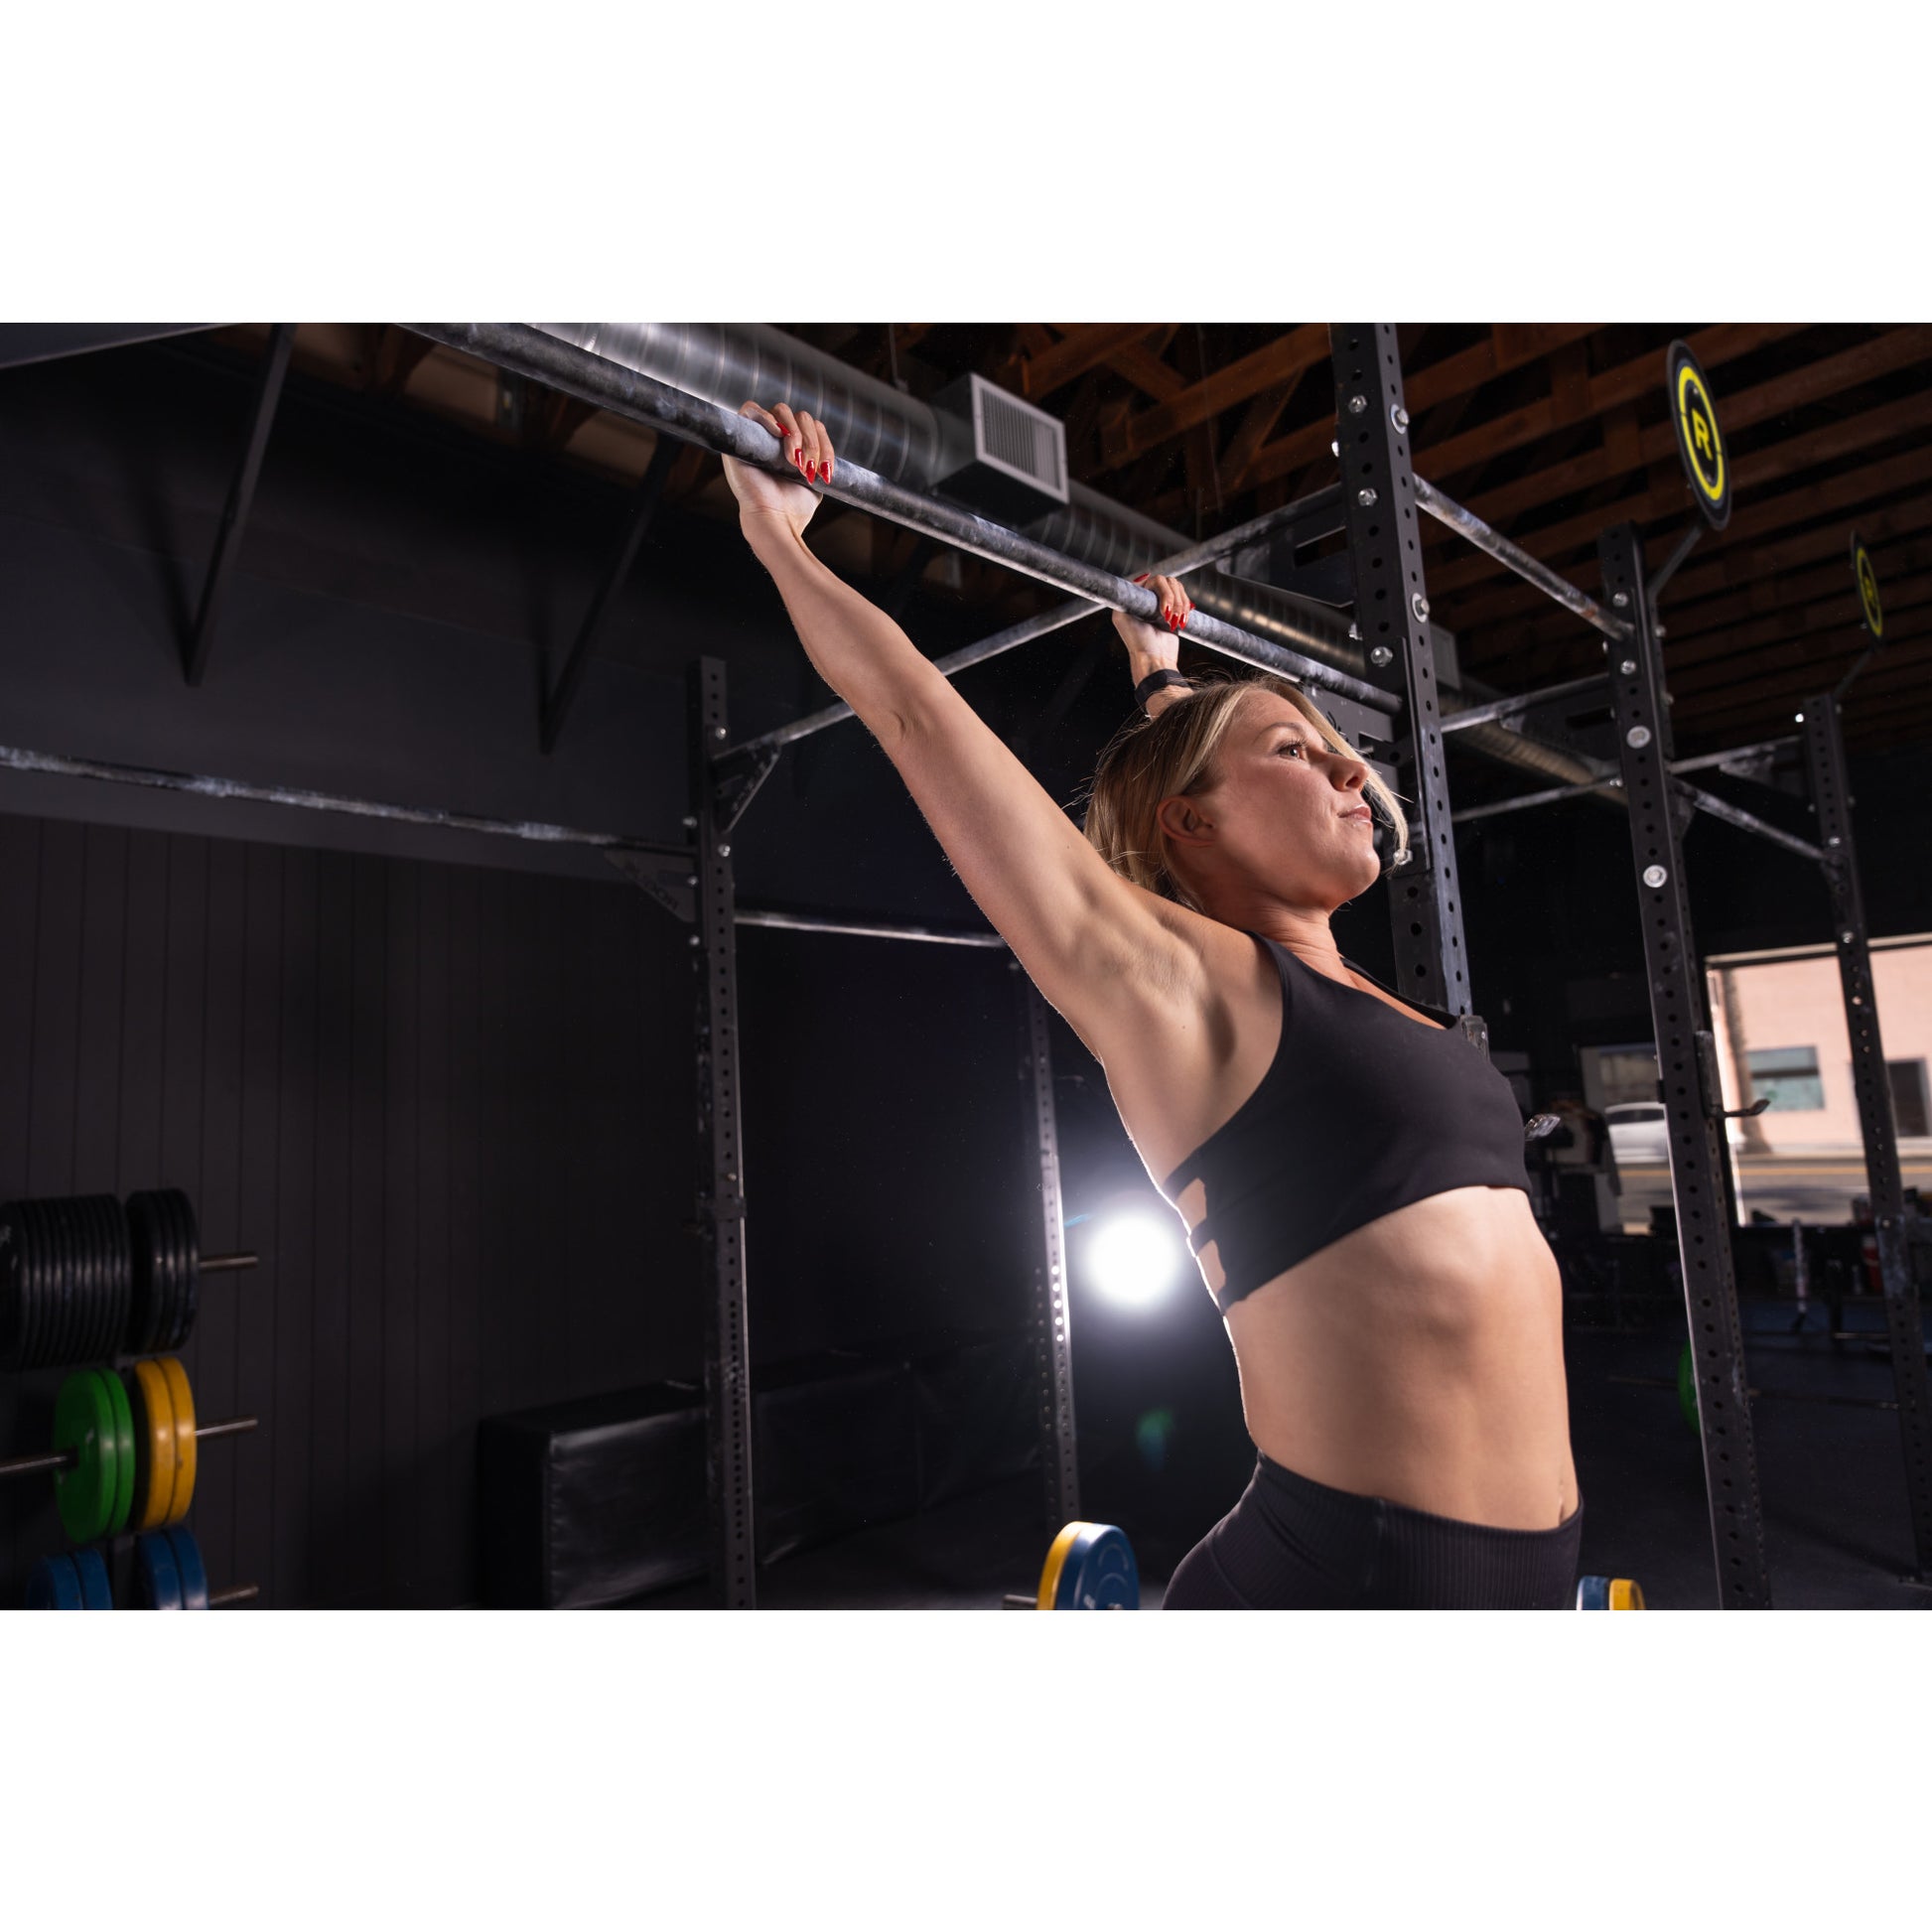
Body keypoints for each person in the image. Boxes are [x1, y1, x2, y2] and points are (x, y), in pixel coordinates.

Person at [724, 402, 1581, 1609]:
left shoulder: (1374, 997)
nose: (1348, 766)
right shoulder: (1179, 986)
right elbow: (917, 713)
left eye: (1334, 746)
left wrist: (1158, 670)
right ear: (1191, 823)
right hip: (1355, 1584)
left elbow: (1195, 767)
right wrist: (781, 536)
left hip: (1529, 1577)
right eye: (1298, 751)